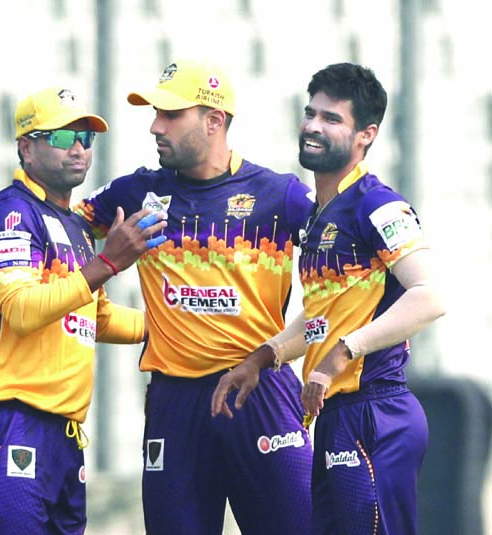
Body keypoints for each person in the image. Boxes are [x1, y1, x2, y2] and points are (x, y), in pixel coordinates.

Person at [0, 60, 315, 535]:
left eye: (170, 115)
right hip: (174, 400)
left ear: (213, 121)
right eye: (154, 112)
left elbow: (348, 258)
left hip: (258, 389)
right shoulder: (137, 191)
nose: (154, 125)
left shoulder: (281, 195)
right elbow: (53, 217)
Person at [212, 63, 446, 535]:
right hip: (338, 414)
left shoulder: (375, 204)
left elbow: (429, 296)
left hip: (376, 413)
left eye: (332, 119)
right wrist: (264, 357)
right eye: (310, 113)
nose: (314, 127)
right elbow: (323, 314)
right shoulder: (321, 214)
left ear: (366, 135)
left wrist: (342, 353)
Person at [0, 86, 168, 535]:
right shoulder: (11, 212)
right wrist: (107, 262)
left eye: (86, 138)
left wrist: (177, 328)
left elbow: (98, 316)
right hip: (10, 420)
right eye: (63, 137)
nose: (78, 149)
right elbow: (22, 311)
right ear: (26, 147)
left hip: (63, 436)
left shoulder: (73, 223)